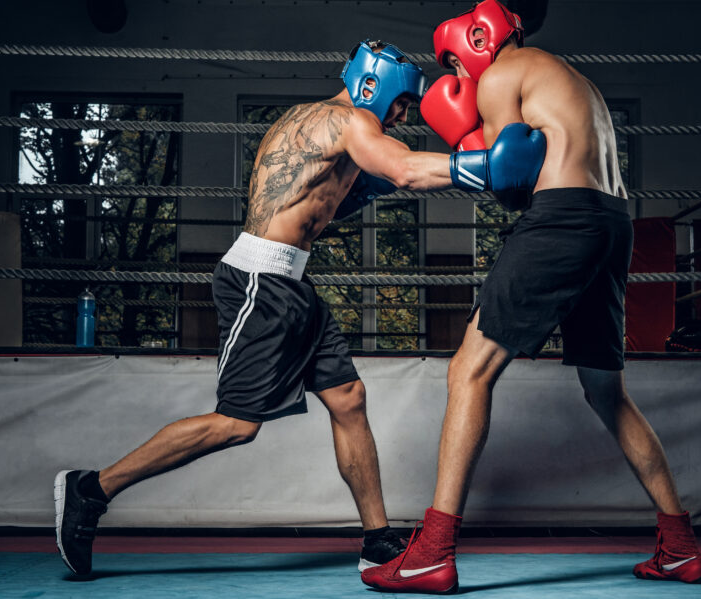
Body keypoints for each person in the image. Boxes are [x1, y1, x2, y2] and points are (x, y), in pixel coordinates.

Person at [54, 38, 546, 577]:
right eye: (401, 104)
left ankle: (377, 539)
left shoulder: (309, 120)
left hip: (292, 283)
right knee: (237, 424)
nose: (403, 117)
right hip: (260, 280)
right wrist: (486, 166)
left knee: (349, 398)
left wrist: (360, 189)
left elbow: (307, 199)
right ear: (371, 86)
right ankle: (92, 489)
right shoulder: (351, 121)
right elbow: (405, 170)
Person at [362, 0, 701, 594]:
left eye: (455, 64)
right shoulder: (573, 80)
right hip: (613, 223)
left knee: (468, 371)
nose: (460, 77)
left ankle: (431, 553)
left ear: (476, 42)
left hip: (563, 218)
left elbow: (510, 182)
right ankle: (680, 547)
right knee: (607, 392)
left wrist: (465, 137)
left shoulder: (501, 75)